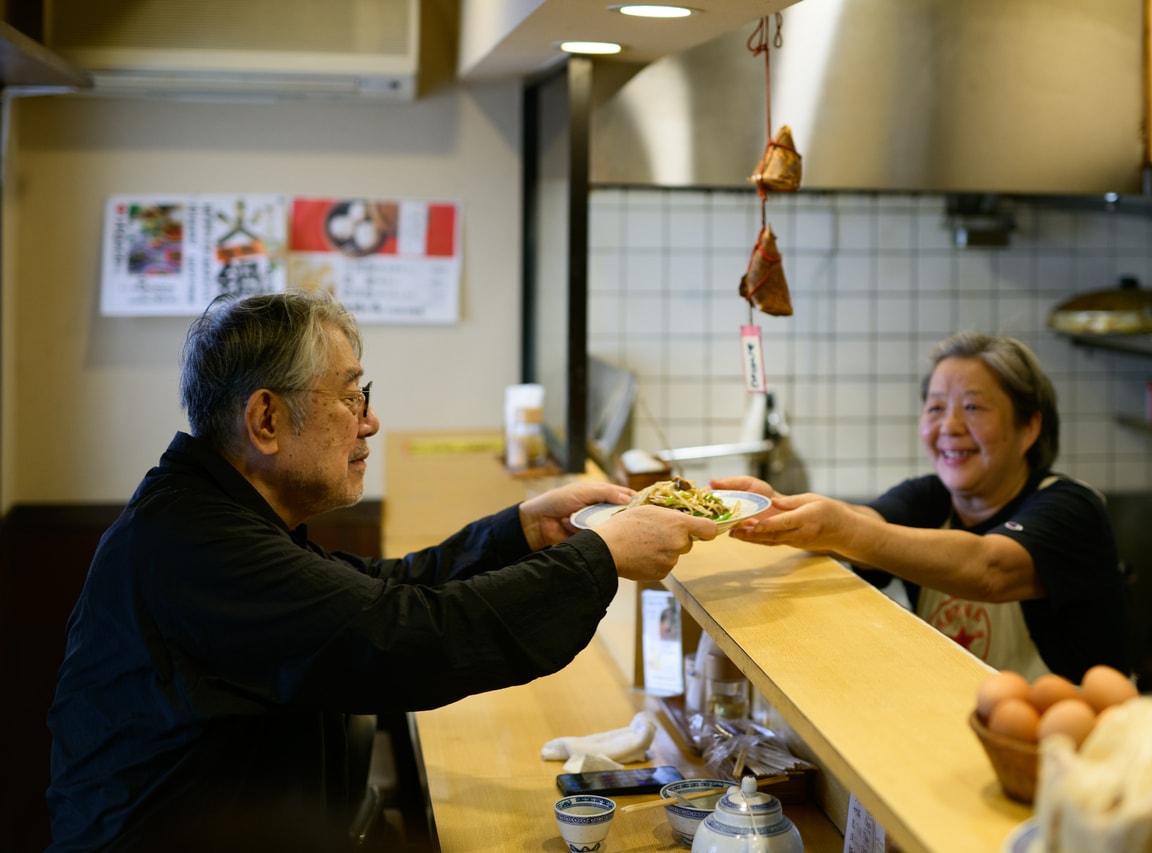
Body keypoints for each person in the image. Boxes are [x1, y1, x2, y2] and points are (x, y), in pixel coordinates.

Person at [45, 290, 716, 853]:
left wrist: (521, 531)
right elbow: (406, 635)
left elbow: (380, 589)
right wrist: (600, 554)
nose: (370, 420)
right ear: (267, 418)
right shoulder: (196, 545)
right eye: (350, 394)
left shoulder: (209, 510)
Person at [713, 331, 1129, 684]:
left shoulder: (1070, 508)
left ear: (1029, 427)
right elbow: (867, 523)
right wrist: (781, 509)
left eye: (972, 407)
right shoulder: (931, 498)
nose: (948, 427)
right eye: (935, 407)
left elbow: (990, 570)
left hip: (1078, 747)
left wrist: (839, 528)